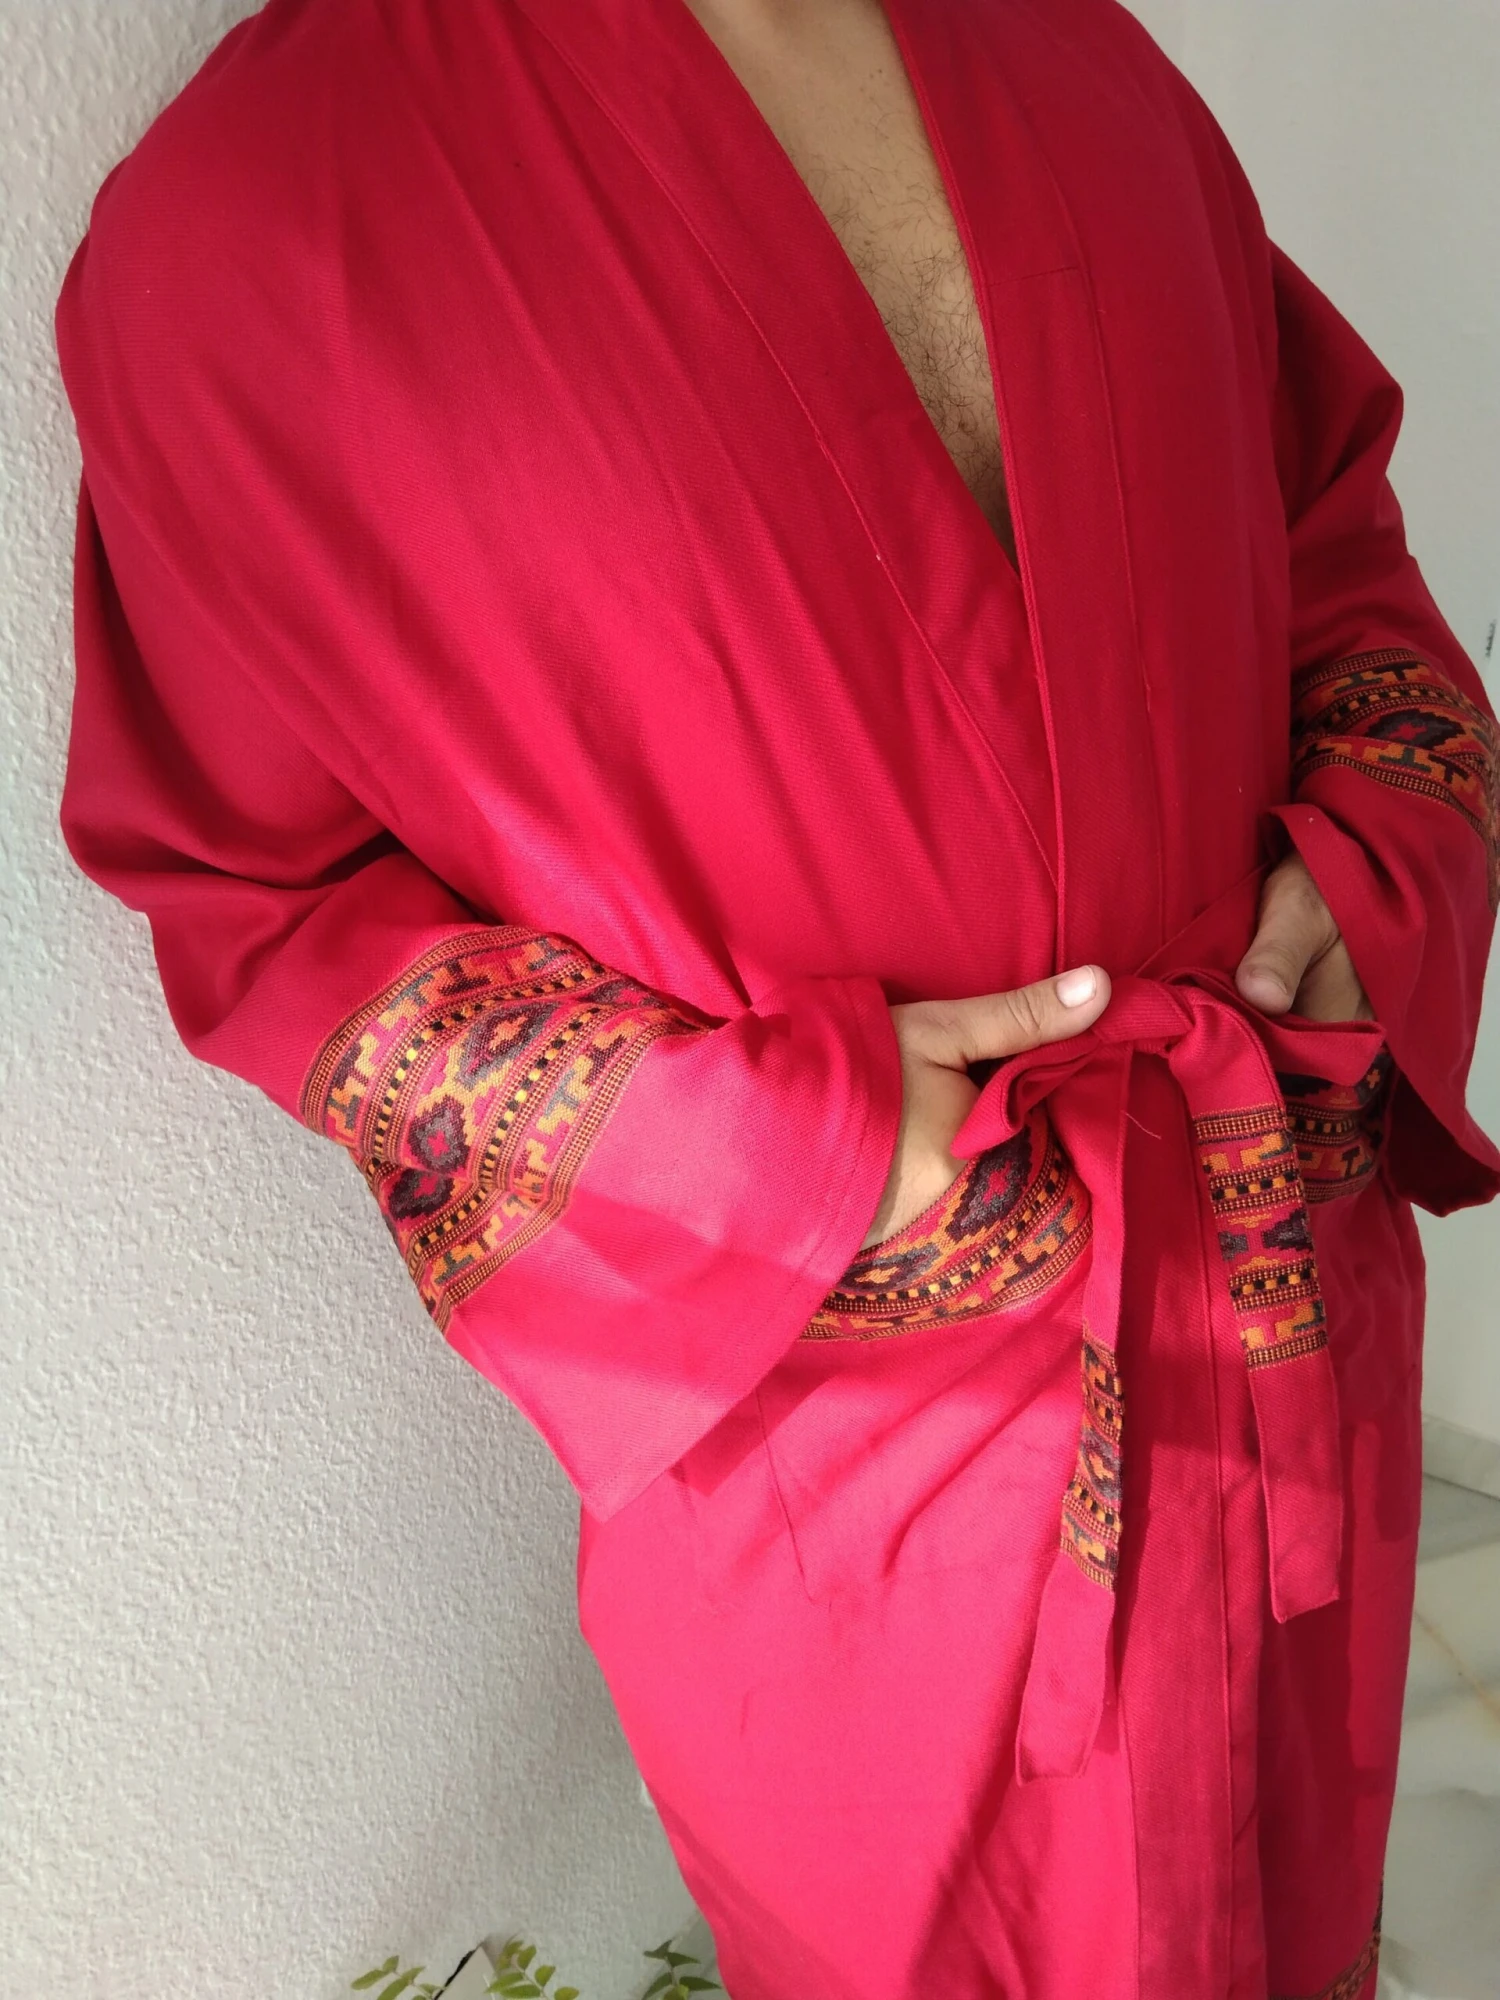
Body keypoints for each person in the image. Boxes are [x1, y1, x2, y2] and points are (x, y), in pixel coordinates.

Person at [52, 1, 1500, 1994]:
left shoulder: (1074, 53)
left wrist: (1380, 816)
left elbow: (1319, 512)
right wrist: (764, 1149)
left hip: (1284, 1320)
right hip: (851, 1500)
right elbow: (258, 899)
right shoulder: (248, 231)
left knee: (1302, 1919)